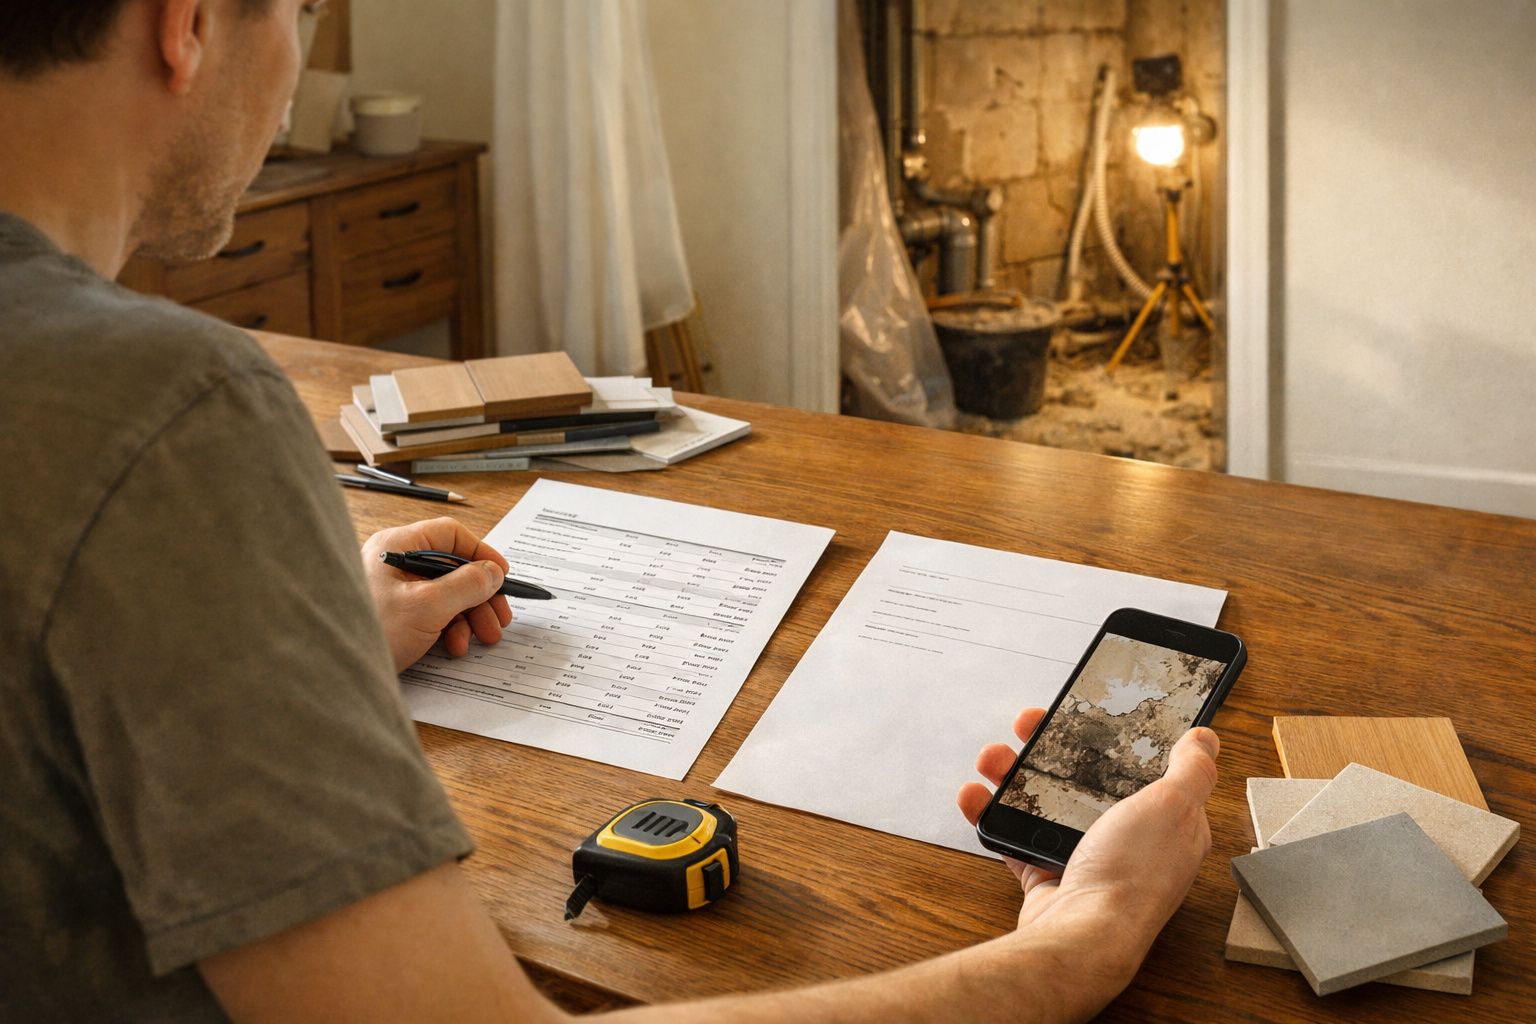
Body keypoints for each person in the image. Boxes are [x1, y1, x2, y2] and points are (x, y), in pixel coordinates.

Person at [0, 2, 1223, 1021]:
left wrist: (313, 648)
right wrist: (1084, 941)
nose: (294, 75)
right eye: (307, 10)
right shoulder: (173, 407)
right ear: (190, 24)